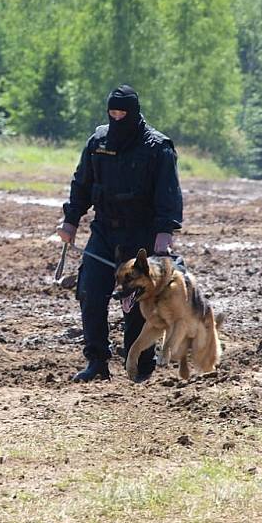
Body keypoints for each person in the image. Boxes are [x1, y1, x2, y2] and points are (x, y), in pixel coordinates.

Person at [57, 84, 183, 382]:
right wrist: (71, 220)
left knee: (137, 298)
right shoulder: (98, 141)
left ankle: (139, 361)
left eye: (122, 113)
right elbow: (82, 184)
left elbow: (169, 193)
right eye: (112, 112)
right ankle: (96, 362)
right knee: (90, 291)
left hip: (139, 233)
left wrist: (164, 232)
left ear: (134, 113)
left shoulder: (157, 147)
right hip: (103, 230)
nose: (116, 118)